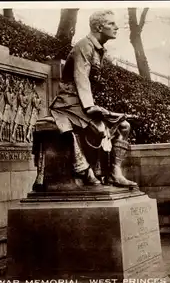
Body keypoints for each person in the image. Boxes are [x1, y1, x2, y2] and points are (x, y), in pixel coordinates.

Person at [49, 10, 137, 188]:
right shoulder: (84, 46)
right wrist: (91, 108)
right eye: (111, 24)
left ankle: (114, 173)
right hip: (68, 104)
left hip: (81, 102)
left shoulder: (97, 49)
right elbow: (81, 78)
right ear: (99, 27)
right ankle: (90, 172)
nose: (116, 27)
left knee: (124, 126)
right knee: (99, 128)